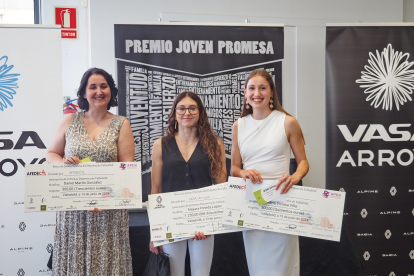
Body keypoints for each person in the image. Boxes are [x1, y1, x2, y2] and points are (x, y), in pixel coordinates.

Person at [46, 68, 135, 276]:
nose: (98, 91)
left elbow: (126, 169)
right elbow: (51, 154)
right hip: (73, 211)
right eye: (92, 87)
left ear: (111, 91)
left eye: (103, 86)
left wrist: (107, 200)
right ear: (84, 93)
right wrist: (65, 166)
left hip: (108, 212)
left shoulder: (121, 124)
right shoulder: (69, 121)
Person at [230, 69, 309, 276]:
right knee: (258, 268)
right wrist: (243, 173)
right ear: (245, 93)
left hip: (281, 199)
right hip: (252, 204)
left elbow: (303, 162)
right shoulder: (239, 125)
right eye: (252, 88)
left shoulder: (287, 121)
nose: (257, 93)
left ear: (272, 92)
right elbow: (234, 169)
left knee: (282, 267)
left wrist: (295, 177)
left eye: (263, 88)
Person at [149, 91, 227, 276]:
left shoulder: (215, 144)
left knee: (201, 273)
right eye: (182, 108)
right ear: (175, 113)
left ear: (200, 112)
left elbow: (221, 187)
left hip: (203, 221)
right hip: (170, 220)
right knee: (174, 273)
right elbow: (156, 190)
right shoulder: (161, 145)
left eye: (192, 108)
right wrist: (155, 231)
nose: (187, 113)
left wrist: (211, 224)